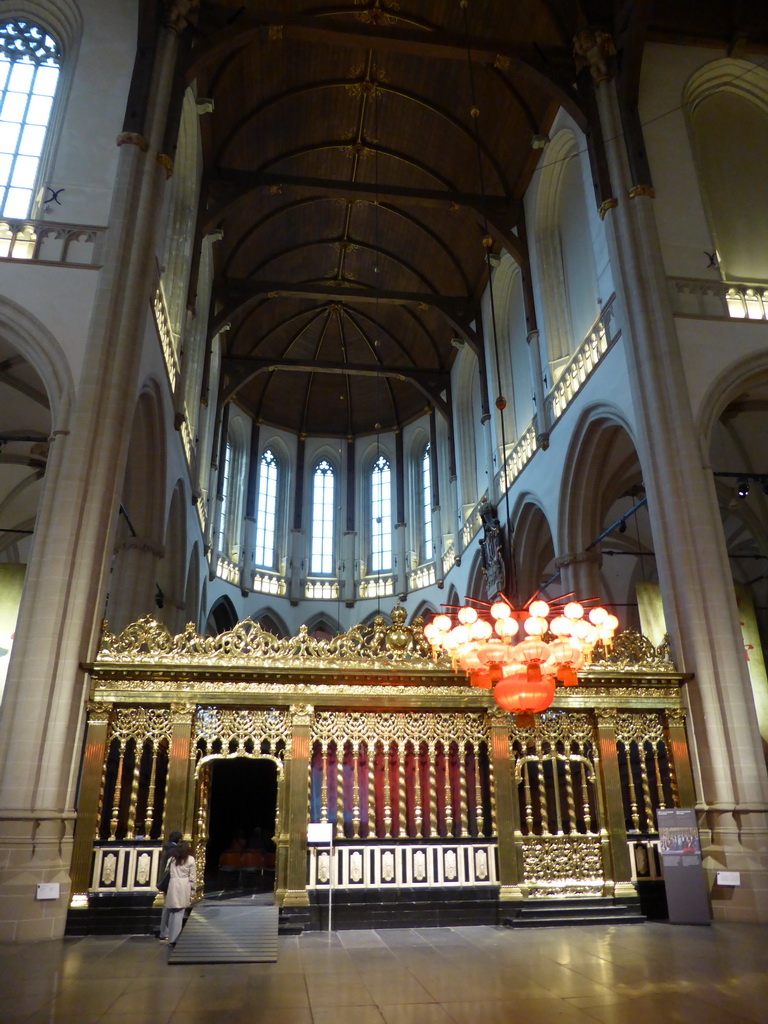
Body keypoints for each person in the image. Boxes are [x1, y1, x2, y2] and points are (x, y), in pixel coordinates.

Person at [164, 841, 196, 947]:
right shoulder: (190, 860)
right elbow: (192, 877)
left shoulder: (172, 859)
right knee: (179, 912)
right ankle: (174, 938)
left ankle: (170, 936)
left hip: (172, 884)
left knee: (173, 911)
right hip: (183, 884)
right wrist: (193, 889)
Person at [157, 830, 182, 940]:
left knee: (167, 907)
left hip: (170, 881)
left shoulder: (169, 849)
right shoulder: (173, 851)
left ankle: (166, 931)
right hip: (170, 882)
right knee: (168, 907)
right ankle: (165, 931)